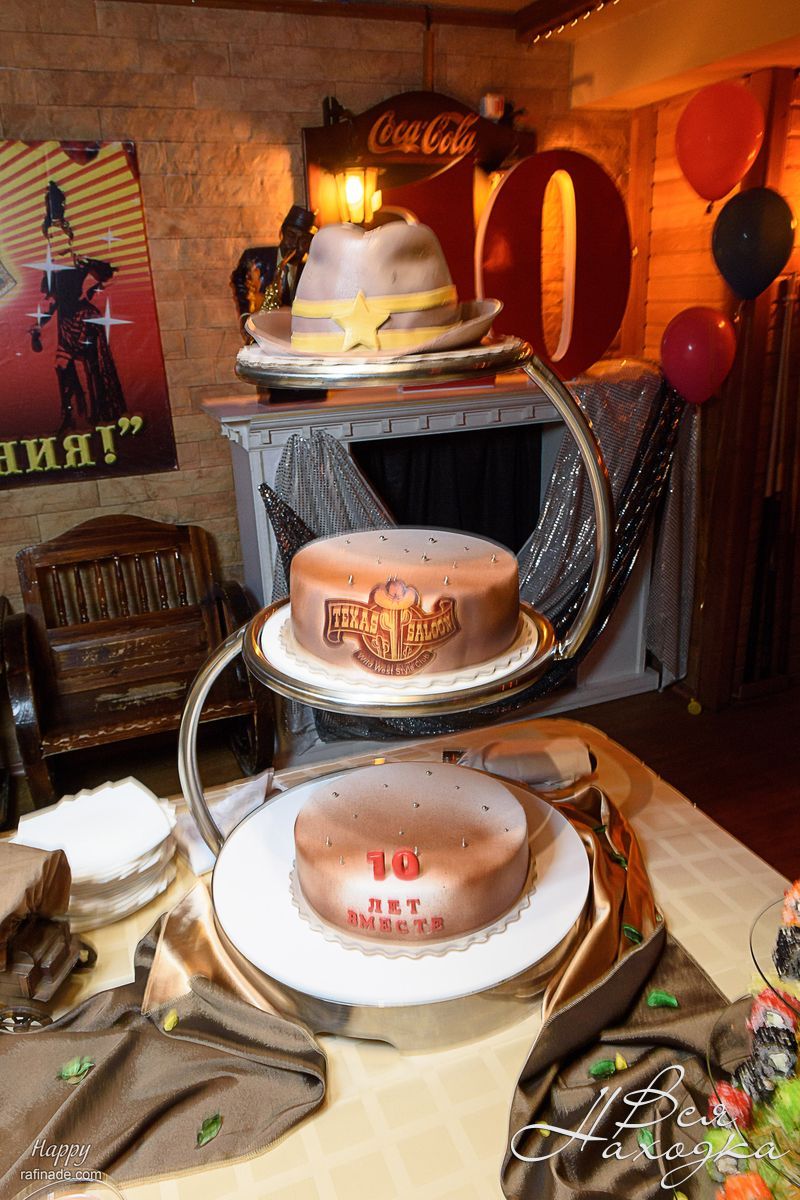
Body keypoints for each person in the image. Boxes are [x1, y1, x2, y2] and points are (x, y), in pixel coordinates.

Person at [230, 205, 316, 335]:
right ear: (281, 233)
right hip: (261, 332)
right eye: (291, 236)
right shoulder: (254, 258)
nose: (295, 245)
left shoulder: (311, 273)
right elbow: (239, 281)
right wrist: (245, 316)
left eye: (303, 241)